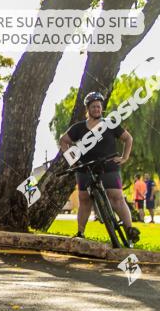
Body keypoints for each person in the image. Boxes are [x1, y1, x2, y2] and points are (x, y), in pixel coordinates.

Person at [59, 92, 140, 243]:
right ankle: (80, 232)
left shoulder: (110, 124)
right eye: (93, 106)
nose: (97, 109)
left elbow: (128, 138)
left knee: (117, 197)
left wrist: (125, 157)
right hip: (85, 169)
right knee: (84, 199)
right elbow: (63, 141)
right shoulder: (78, 128)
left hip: (109, 166)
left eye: (99, 106)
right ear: (88, 109)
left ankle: (130, 231)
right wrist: (72, 159)